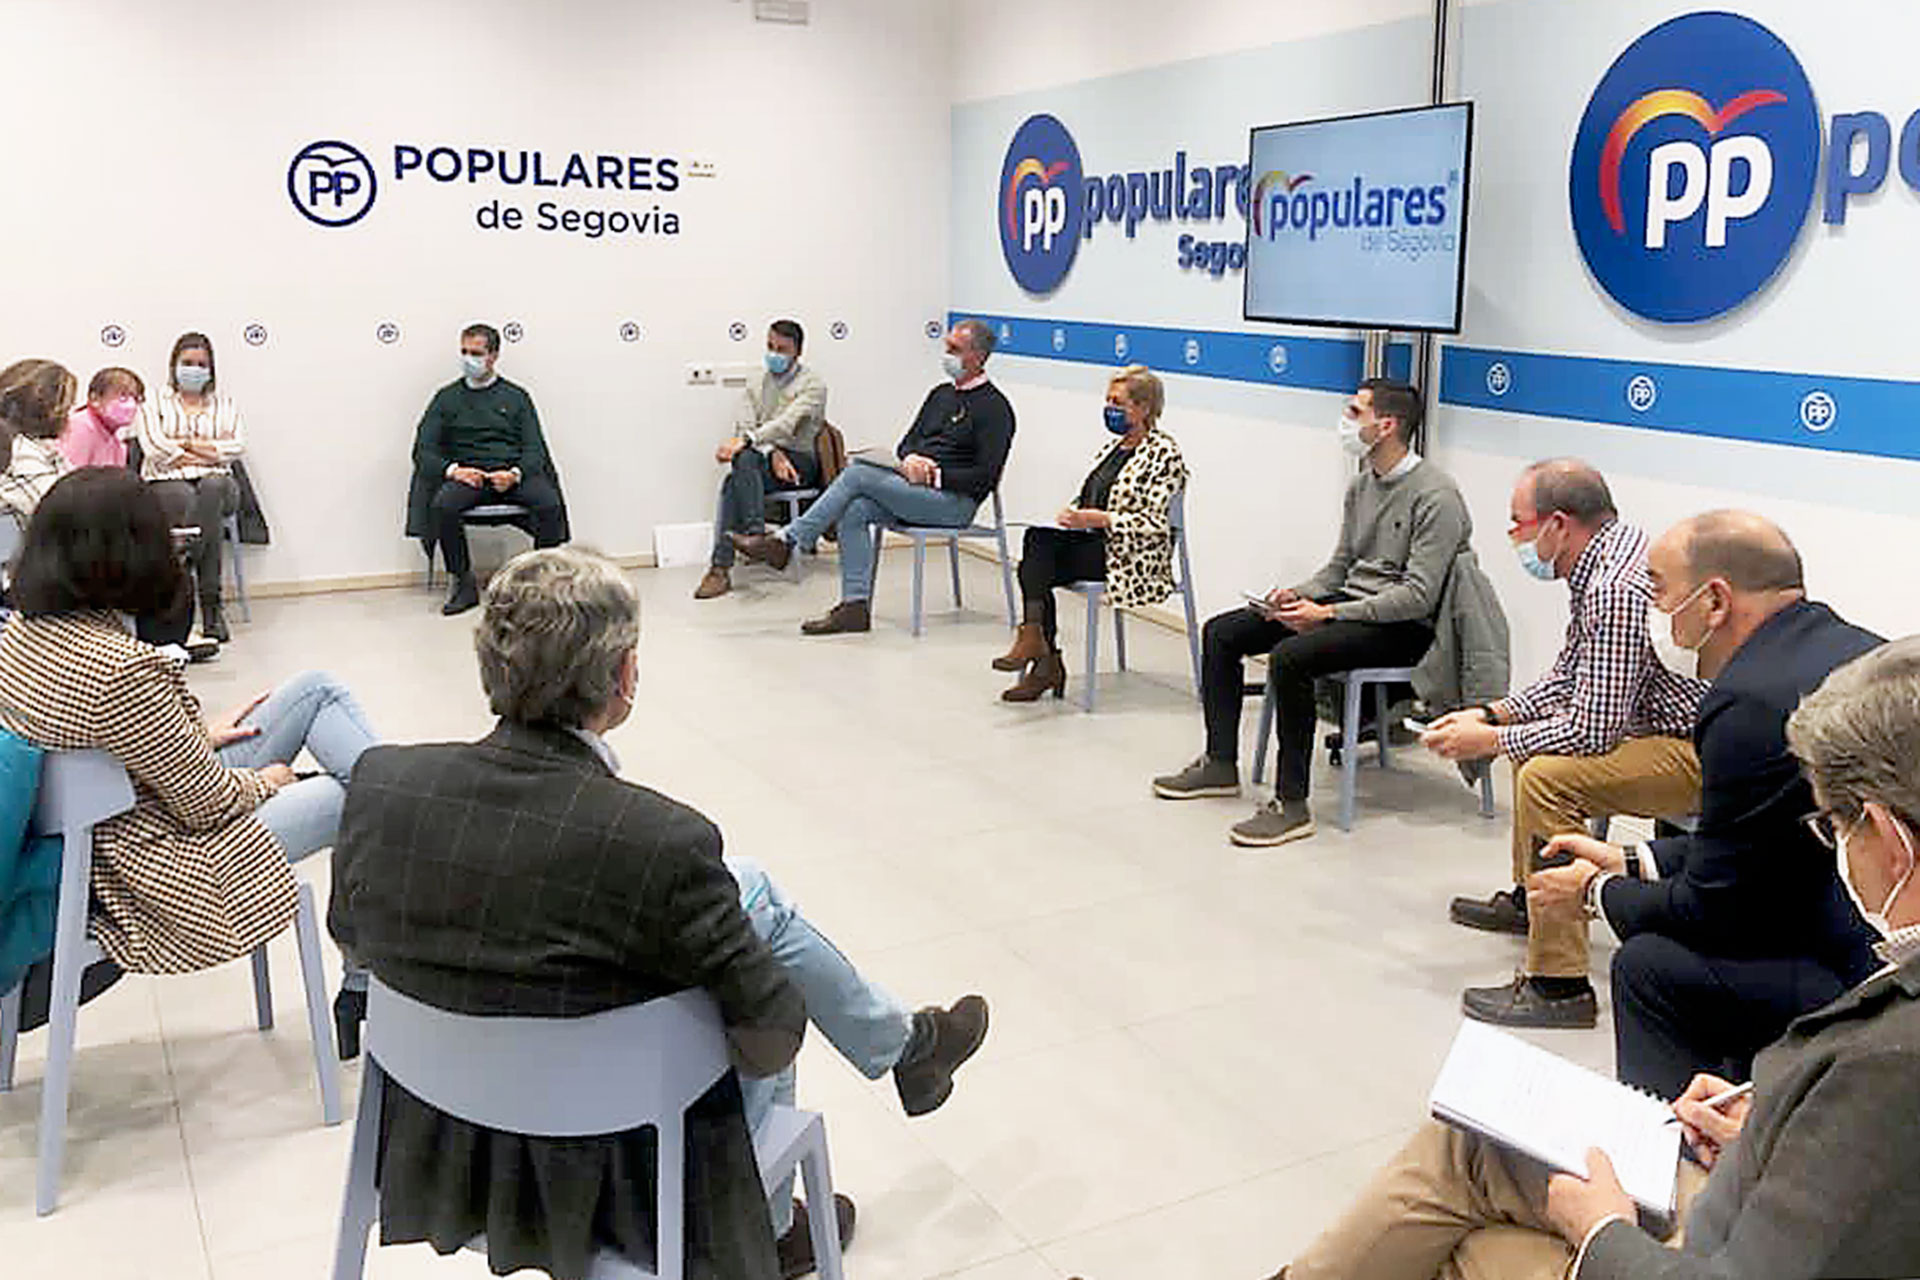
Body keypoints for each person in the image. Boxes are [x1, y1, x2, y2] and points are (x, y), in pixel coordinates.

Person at [329, 547, 990, 1280]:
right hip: (622, 1170)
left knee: (739, 901)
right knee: (748, 937)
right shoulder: (659, 841)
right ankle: (781, 1213)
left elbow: (352, 939)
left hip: (444, 1150)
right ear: (623, 677)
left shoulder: (384, 785)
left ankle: (909, 1050)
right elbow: (773, 1038)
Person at [1260, 635, 1920, 1280]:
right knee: (1466, 1160)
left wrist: (1602, 1233)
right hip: (1763, 1200)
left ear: (1891, 841)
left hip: (1726, 1240)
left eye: (1833, 826)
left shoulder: (1887, 1065)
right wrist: (1768, 1127)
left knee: (1466, 1234)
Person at [1516, 511, 1880, 1098]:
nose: (1650, 609)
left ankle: (1670, 1160)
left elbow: (1715, 911)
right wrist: (1627, 860)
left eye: (1657, 589)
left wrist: (1589, 891)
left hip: (1862, 976)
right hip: (1856, 917)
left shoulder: (1747, 705)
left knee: (1649, 965)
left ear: (1714, 601)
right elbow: (1754, 843)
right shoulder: (1852, 651)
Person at [0, 467, 378, 1028]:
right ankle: (367, 980)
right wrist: (269, 781)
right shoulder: (123, 669)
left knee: (315, 691)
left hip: (116, 812)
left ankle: (412, 811)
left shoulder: (20, 636)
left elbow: (93, 749)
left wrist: (192, 737)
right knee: (362, 799)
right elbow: (206, 802)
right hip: (156, 863)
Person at [1424, 459, 1706, 1029]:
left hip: (1695, 751)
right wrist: (1490, 713)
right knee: (1531, 750)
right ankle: (1537, 900)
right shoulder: (1606, 556)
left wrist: (1494, 739)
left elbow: (1591, 730)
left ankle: (1560, 984)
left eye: (1518, 523)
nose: (1515, 538)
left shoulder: (1613, 587)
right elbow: (1567, 679)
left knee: (1546, 774)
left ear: (1557, 525)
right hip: (1652, 730)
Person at [1151, 379, 1470, 847]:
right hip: (1350, 607)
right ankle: (1220, 763)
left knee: (1291, 657)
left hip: (1404, 628)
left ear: (1387, 425)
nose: (1346, 422)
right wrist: (1297, 596)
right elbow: (1340, 566)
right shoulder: (1362, 484)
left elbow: (1418, 597)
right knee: (1222, 633)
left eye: (1355, 413)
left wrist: (1327, 616)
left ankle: (1292, 804)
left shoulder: (1436, 495)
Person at [731, 319, 1016, 635]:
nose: (946, 354)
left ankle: (788, 540)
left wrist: (935, 475)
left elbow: (986, 477)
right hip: (914, 489)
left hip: (953, 504)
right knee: (856, 509)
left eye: (954, 349)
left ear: (977, 357)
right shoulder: (940, 395)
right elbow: (908, 441)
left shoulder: (996, 408)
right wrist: (911, 459)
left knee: (857, 474)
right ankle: (855, 606)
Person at [991, 365, 1187, 702]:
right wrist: (1073, 515)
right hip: (1093, 543)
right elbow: (1089, 498)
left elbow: (1156, 523)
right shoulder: (1112, 448)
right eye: (1108, 400)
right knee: (1037, 545)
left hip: (1128, 556)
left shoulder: (1165, 455)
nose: (1109, 409)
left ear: (1143, 408)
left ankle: (1043, 660)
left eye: (1118, 402)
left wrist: (1101, 519)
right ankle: (1037, 645)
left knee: (1036, 565)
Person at [405, 322, 570, 617]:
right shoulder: (446, 398)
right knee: (443, 505)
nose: (469, 359)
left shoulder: (516, 397)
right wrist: (453, 471)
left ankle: (541, 583)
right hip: (468, 476)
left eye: (476, 353)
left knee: (549, 502)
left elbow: (535, 448)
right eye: (464, 352)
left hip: (509, 474)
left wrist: (515, 473)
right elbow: (423, 450)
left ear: (493, 356)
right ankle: (463, 582)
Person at [696, 318, 829, 600]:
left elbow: (786, 424)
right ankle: (757, 538)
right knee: (740, 469)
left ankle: (720, 568)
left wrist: (753, 442)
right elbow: (745, 425)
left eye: (782, 349)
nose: (774, 354)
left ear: (798, 352)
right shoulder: (757, 380)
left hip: (801, 461)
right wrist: (771, 452)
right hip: (764, 457)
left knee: (737, 472)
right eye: (770, 346)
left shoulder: (813, 385)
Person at [138, 331, 246, 643]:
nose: (194, 369)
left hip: (219, 485)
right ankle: (211, 606)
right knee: (186, 496)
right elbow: (154, 449)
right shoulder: (153, 402)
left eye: (201, 364)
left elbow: (236, 447)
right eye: (187, 362)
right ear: (174, 364)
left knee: (211, 488)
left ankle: (198, 598)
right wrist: (209, 448)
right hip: (166, 484)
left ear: (211, 369)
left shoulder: (225, 404)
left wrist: (182, 444)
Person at [0, 358, 76, 534]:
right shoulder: (21, 455)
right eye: (68, 406)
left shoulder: (35, 448)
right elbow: (69, 518)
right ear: (52, 410)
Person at [59, 366, 144, 470]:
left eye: (136, 398)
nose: (132, 405)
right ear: (95, 399)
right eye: (123, 397)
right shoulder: (79, 427)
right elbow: (70, 479)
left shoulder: (116, 441)